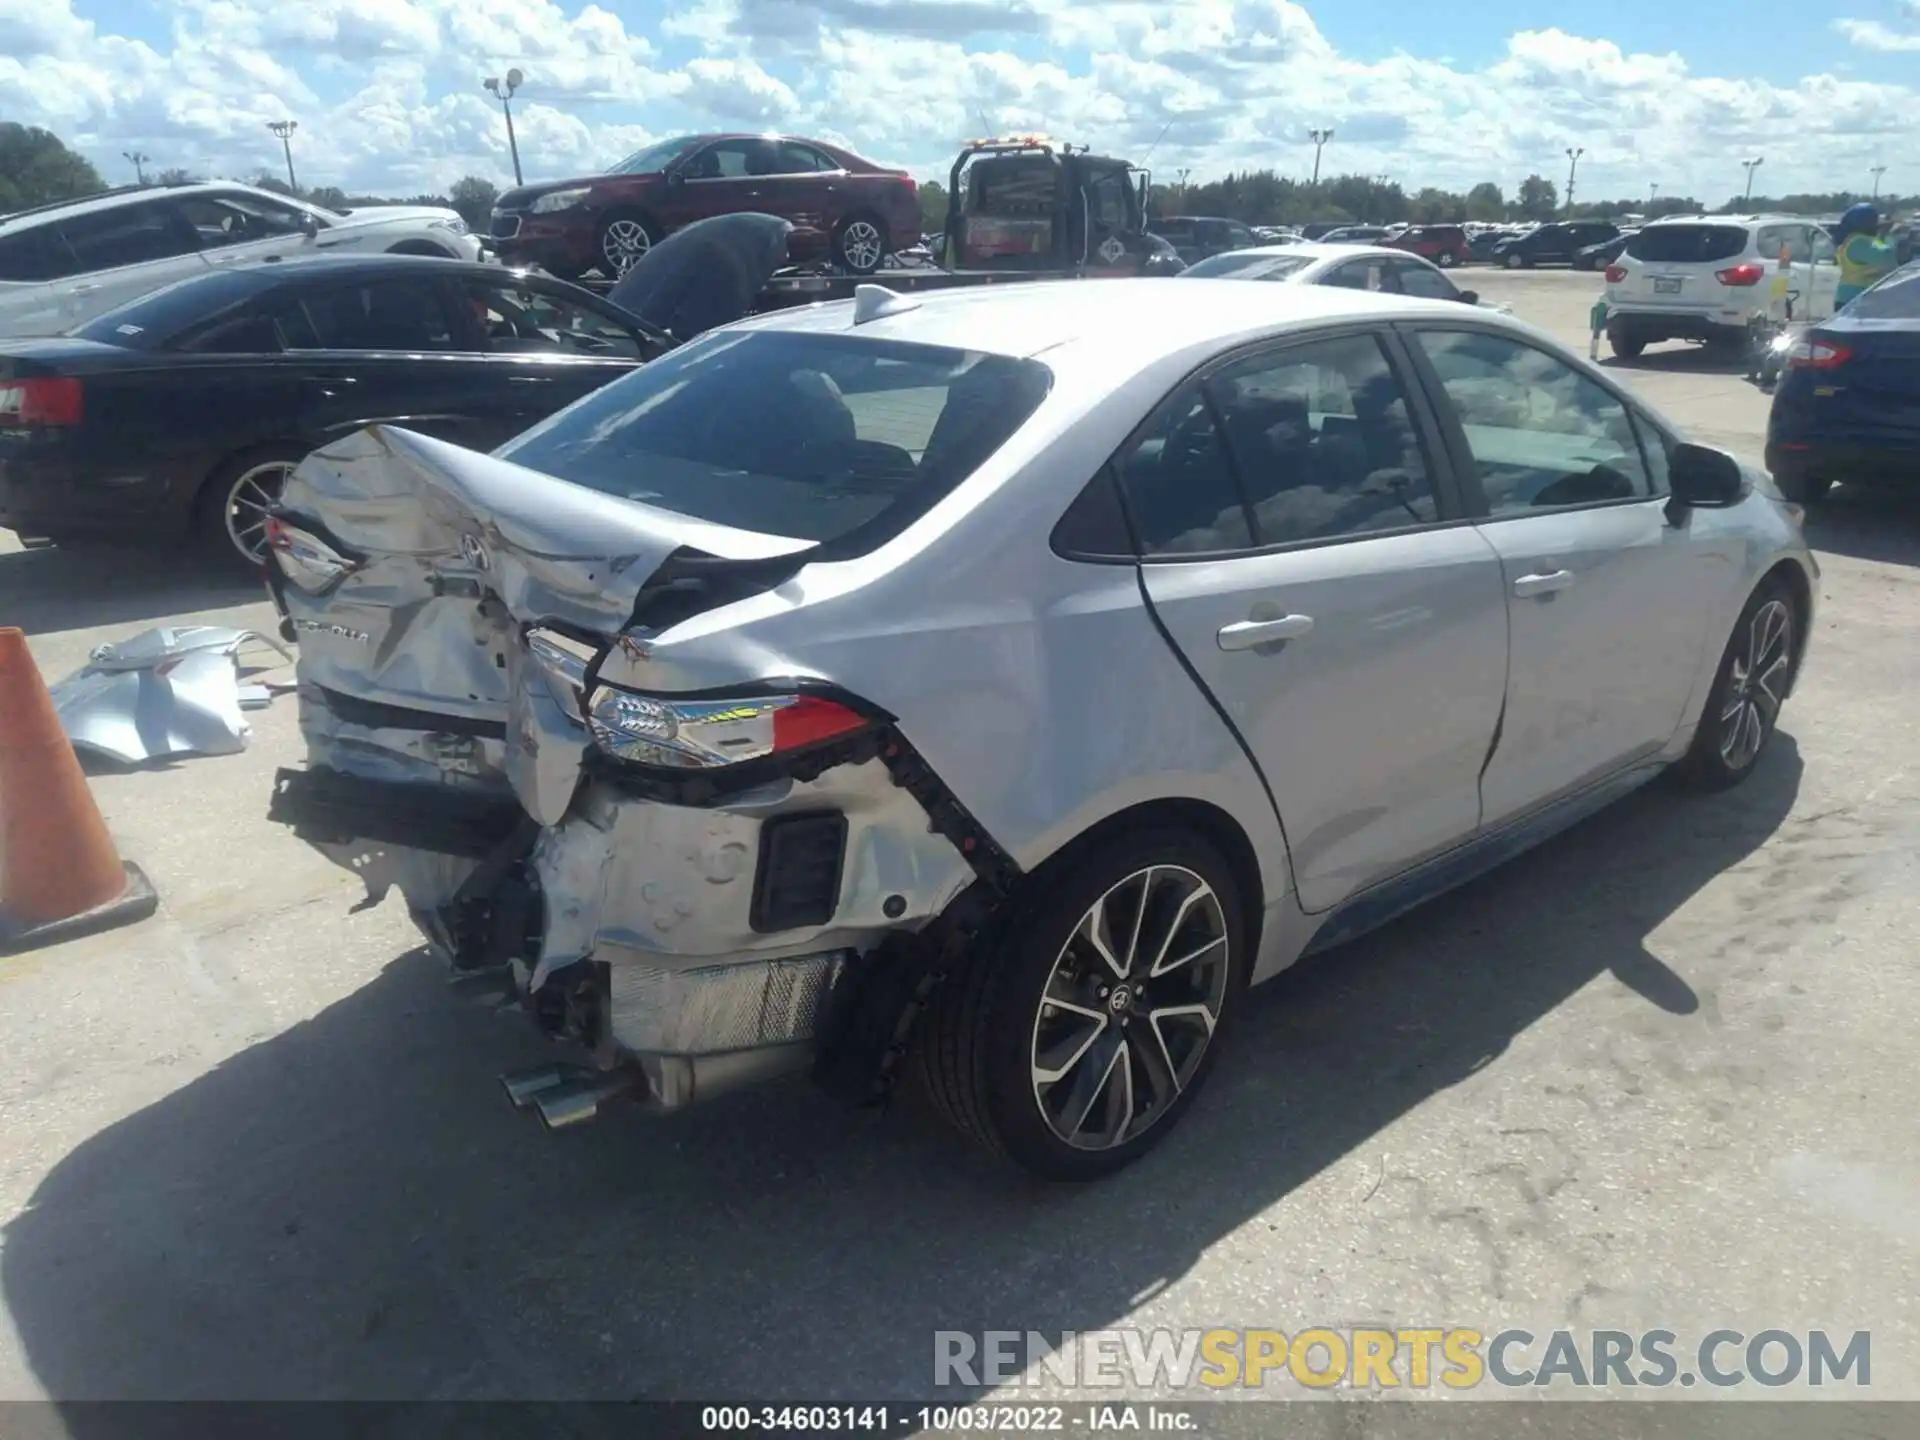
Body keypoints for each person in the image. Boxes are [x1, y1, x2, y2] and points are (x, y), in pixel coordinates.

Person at [1832, 202, 1899, 308]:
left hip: (1850, 298)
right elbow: (1886, 257)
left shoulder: (1853, 240)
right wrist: (1891, 236)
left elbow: (1878, 247)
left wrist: (1882, 236)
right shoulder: (1859, 242)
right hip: (1856, 299)